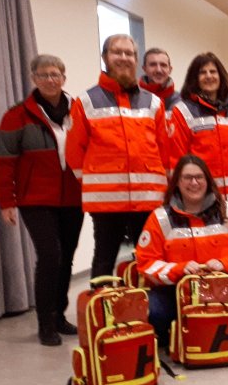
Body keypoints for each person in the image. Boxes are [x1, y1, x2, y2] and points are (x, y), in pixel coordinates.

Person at [0, 54, 83, 346]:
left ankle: (59, 316)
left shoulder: (79, 111)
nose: (50, 79)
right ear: (34, 78)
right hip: (35, 199)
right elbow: (4, 161)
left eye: (55, 74)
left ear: (64, 78)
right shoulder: (16, 116)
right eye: (43, 75)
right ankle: (45, 322)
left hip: (73, 197)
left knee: (66, 257)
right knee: (50, 256)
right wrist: (7, 201)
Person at [67, 34, 169, 278]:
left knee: (150, 259)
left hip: (148, 198)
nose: (123, 58)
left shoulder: (153, 103)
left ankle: (149, 311)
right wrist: (93, 183)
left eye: (129, 53)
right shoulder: (86, 102)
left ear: (136, 60)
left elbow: (164, 151)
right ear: (105, 58)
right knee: (104, 259)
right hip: (106, 203)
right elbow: (73, 152)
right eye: (117, 52)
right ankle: (102, 311)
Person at [136, 154, 228, 342]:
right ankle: (183, 329)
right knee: (152, 312)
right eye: (187, 178)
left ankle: (221, 324)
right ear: (177, 183)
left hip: (225, 286)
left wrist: (225, 265)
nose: (194, 183)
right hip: (175, 290)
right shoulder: (159, 218)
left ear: (207, 180)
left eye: (199, 177)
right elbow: (146, 263)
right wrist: (178, 270)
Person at [170, 52, 228, 227]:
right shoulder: (183, 112)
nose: (209, 76)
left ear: (220, 76)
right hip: (205, 205)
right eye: (203, 72)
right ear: (195, 78)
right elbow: (177, 162)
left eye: (213, 72)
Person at [139, 48, 181, 114]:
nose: (158, 70)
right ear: (144, 69)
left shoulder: (181, 102)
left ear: (170, 70)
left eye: (163, 65)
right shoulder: (132, 99)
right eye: (153, 65)